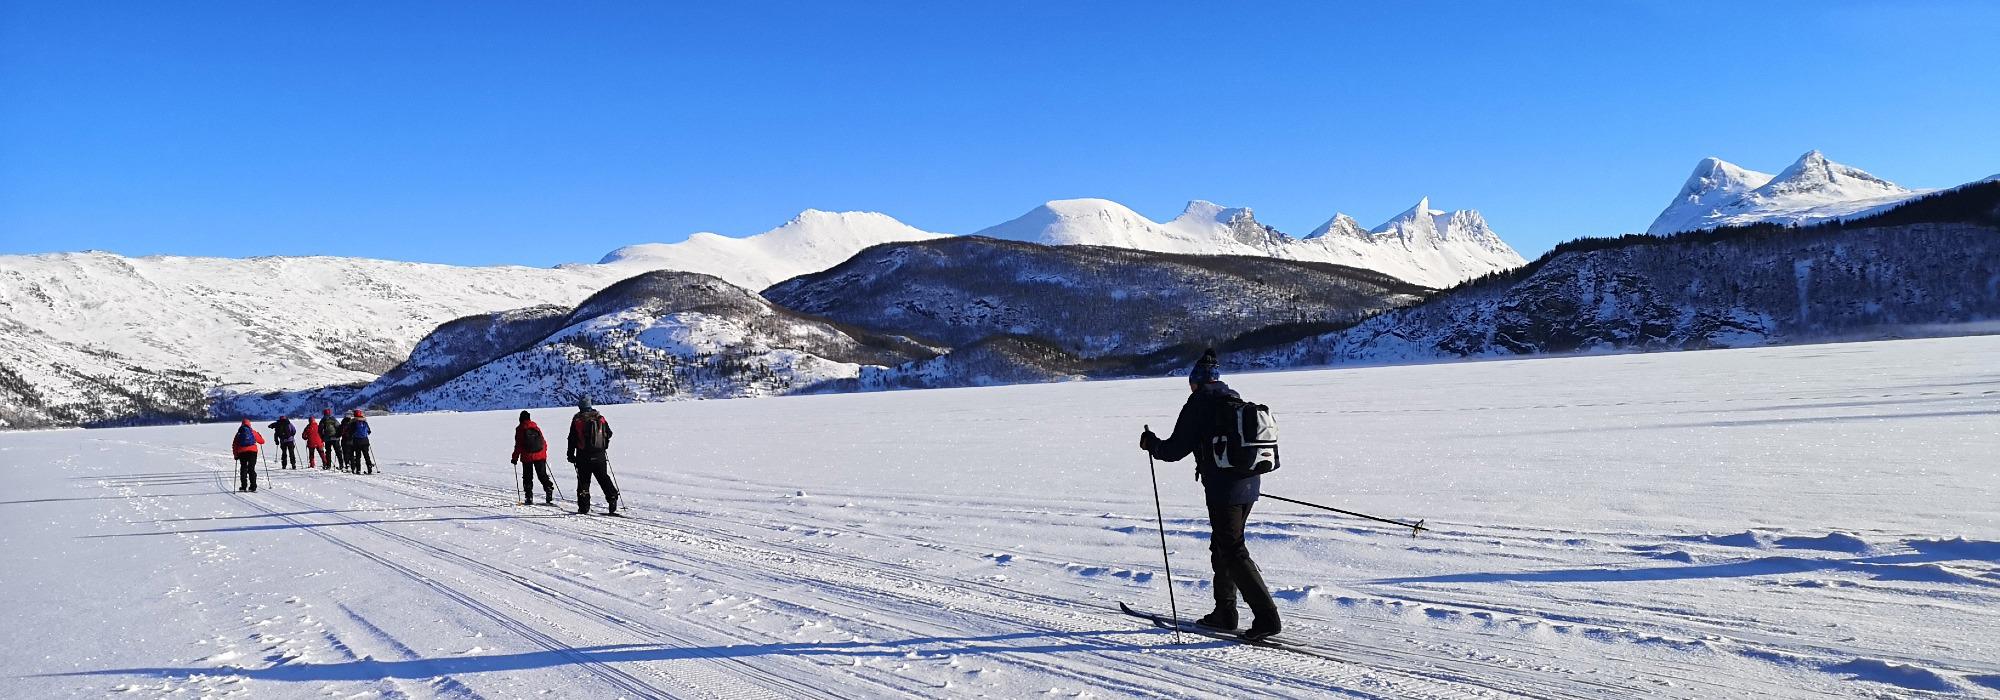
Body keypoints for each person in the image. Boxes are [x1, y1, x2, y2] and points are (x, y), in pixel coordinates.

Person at [1140, 349, 1281, 641]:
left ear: (1196, 381)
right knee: (1222, 546)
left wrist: (1151, 444)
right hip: (1249, 482)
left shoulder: (1199, 404)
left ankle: (1267, 618)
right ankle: (1225, 612)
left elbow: (1174, 450)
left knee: (1231, 549)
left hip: (1223, 488)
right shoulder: (1233, 399)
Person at [566, 397, 618, 515]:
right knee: (603, 478)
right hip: (599, 455)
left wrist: (570, 454)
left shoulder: (577, 420)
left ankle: (584, 507)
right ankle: (612, 497)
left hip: (583, 456)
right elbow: (609, 433)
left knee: (583, 481)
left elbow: (572, 439)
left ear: (580, 407)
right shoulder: (600, 418)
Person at [511, 410, 555, 506]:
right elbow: (543, 442)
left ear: (520, 419)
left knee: (527, 477)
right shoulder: (535, 427)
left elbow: (518, 445)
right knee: (542, 475)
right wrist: (543, 453)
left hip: (527, 456)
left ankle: (529, 497)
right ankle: (548, 488)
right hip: (540, 455)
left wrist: (514, 458)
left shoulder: (520, 429)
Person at [231, 419, 265, 492]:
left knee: (243, 468)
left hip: (242, 452)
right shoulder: (253, 432)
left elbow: (235, 445)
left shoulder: (239, 433)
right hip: (252, 452)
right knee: (251, 469)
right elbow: (262, 441)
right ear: (249, 424)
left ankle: (243, 487)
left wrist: (236, 455)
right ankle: (253, 486)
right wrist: (259, 435)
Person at [347, 409, 376, 474]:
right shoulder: (365, 422)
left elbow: (350, 432)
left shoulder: (353, 422)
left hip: (357, 441)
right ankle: (369, 469)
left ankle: (358, 470)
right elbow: (369, 431)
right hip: (365, 441)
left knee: (358, 456)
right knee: (366, 455)